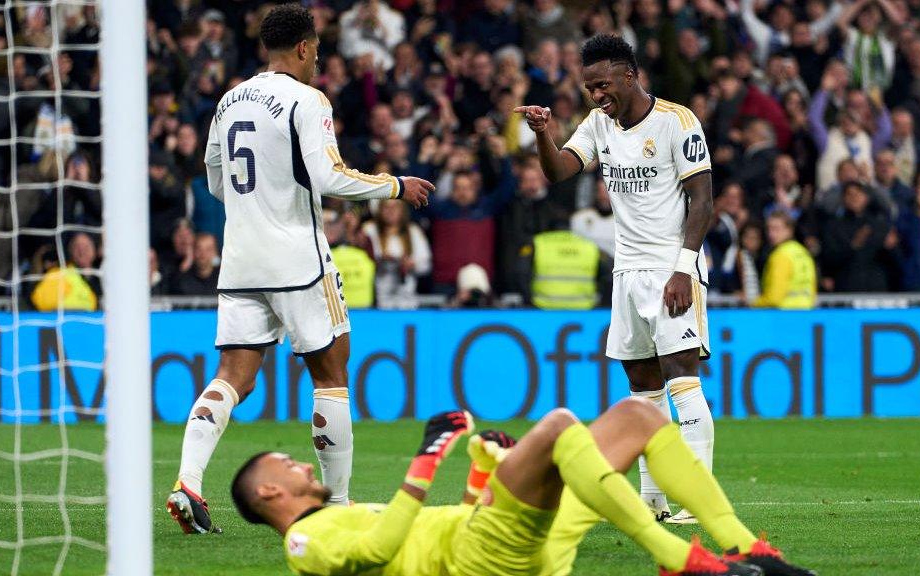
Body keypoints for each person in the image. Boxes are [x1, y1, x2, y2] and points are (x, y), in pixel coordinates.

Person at [165, 4, 433, 534]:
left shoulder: (228, 99)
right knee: (330, 375)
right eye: (318, 52)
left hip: (239, 259)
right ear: (307, 48)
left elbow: (216, 182)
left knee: (231, 377)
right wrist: (395, 185)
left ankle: (188, 481)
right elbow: (328, 178)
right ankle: (336, 506)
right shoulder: (308, 100)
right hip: (297, 257)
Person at [231, 402, 815, 576]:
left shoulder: (346, 511)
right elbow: (380, 549)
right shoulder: (303, 546)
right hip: (483, 560)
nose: (298, 463)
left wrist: (481, 475)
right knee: (560, 426)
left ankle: (742, 547)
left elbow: (433, 531)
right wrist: (426, 459)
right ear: (267, 494)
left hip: (496, 546)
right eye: (282, 463)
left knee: (637, 416)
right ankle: (679, 560)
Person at [516, 34, 716, 524]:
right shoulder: (599, 124)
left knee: (681, 379)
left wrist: (684, 268)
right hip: (627, 272)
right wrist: (544, 132)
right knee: (642, 387)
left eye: (603, 85)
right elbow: (560, 170)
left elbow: (703, 202)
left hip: (673, 267)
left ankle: (697, 497)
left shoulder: (677, 121)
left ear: (631, 75)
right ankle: (653, 500)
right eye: (589, 89)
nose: (596, 96)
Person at [751, 211, 817, 309]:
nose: (771, 234)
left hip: (783, 315)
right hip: (806, 313)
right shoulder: (803, 253)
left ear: (789, 230)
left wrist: (753, 303)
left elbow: (774, 298)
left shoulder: (781, 255)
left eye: (776, 229)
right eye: (769, 229)